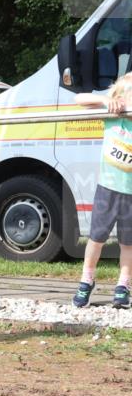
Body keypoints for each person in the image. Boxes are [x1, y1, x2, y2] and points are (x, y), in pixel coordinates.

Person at [72, 72, 132, 308]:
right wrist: (106, 102)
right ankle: (87, 280)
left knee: (128, 243)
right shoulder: (112, 117)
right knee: (96, 239)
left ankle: (123, 285)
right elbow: (79, 99)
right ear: (121, 97)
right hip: (108, 189)